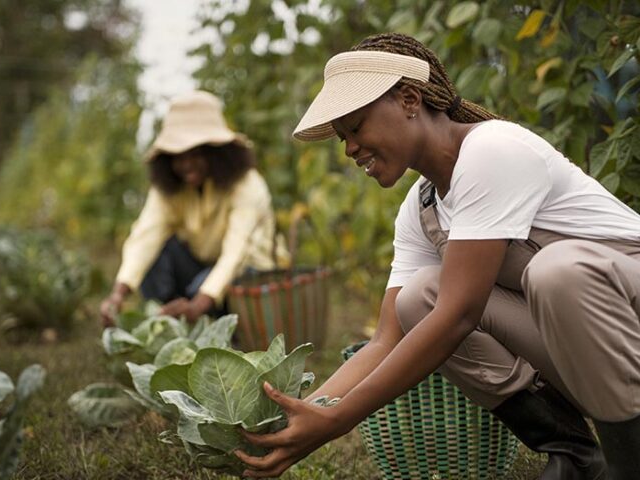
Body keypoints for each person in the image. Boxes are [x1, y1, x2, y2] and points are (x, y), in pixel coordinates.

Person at [235, 33, 640, 480]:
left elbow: (458, 317)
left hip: (626, 326)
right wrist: (304, 415)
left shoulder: (493, 151)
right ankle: (576, 455)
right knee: (418, 299)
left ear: (409, 99)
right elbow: (386, 339)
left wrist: (339, 421)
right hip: (597, 359)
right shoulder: (423, 205)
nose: (349, 148)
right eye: (342, 136)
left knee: (555, 273)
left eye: (356, 127)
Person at [100, 90, 285, 326]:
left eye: (196, 154)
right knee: (156, 255)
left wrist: (198, 303)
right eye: (178, 156)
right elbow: (146, 235)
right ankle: (173, 320)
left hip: (250, 274)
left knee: (204, 285)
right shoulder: (171, 189)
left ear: (217, 153)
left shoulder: (248, 185)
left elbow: (236, 253)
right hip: (199, 267)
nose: (186, 164)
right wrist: (118, 294)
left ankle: (210, 321)